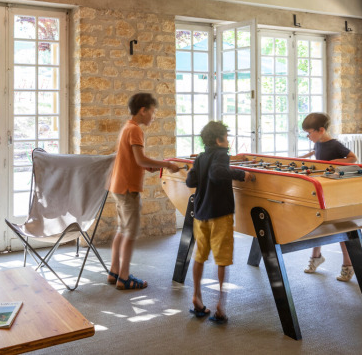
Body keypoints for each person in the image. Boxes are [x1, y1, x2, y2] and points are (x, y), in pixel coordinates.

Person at [107, 93, 179, 290]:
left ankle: (114, 271)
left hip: (118, 186)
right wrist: (167, 164)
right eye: (153, 112)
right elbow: (140, 159)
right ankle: (124, 277)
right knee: (130, 233)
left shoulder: (127, 127)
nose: (153, 117)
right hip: (129, 188)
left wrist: (151, 167)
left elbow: (135, 160)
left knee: (122, 230)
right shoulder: (136, 130)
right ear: (143, 110)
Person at [185, 121, 255, 324]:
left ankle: (197, 297)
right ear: (219, 140)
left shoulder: (201, 157)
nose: (228, 141)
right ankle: (220, 306)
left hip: (201, 214)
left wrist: (197, 170)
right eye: (226, 136)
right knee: (222, 259)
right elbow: (217, 173)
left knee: (200, 256)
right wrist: (242, 174)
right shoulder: (221, 155)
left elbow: (191, 182)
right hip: (220, 215)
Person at [300, 112, 358, 281]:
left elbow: (353, 158)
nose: (308, 136)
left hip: (336, 191)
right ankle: (316, 257)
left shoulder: (335, 144)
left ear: (321, 130)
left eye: (310, 132)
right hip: (321, 188)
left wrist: (332, 163)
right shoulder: (318, 143)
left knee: (341, 227)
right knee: (317, 222)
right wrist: (305, 157)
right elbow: (317, 153)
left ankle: (348, 264)